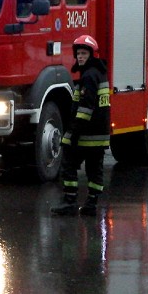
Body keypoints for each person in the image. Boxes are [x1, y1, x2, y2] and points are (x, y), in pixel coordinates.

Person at [51, 34, 111, 216]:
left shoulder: (89, 76)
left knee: (68, 164)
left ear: (92, 55)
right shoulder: (99, 73)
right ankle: (91, 205)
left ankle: (69, 202)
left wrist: (73, 134)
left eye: (84, 53)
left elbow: (86, 108)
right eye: (79, 53)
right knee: (95, 169)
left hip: (86, 133)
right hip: (99, 135)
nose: (80, 57)